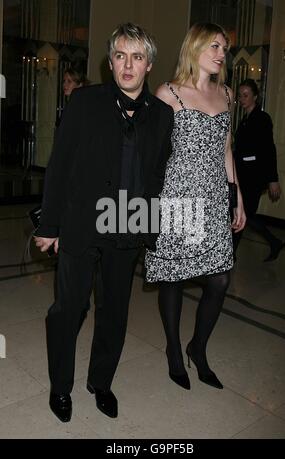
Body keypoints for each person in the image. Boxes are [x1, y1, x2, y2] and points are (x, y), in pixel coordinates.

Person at [34, 23, 173, 423]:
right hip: (81, 222)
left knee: (114, 310)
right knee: (68, 308)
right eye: (120, 56)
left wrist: (152, 228)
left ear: (148, 65)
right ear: (109, 61)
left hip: (127, 226)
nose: (127, 65)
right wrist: (50, 225)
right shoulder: (84, 102)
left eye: (137, 57)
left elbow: (157, 177)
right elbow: (60, 166)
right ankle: (61, 387)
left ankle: (101, 382)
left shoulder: (162, 116)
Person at [145, 23, 246, 391]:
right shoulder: (168, 93)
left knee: (219, 279)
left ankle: (197, 348)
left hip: (215, 198)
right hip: (177, 199)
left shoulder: (227, 94)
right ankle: (174, 350)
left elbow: (226, 149)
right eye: (215, 45)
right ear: (196, 47)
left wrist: (238, 199)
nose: (222, 53)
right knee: (172, 278)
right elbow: (151, 154)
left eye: (225, 47)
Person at [233, 79, 285, 262]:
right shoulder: (245, 119)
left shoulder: (262, 119)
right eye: (240, 95)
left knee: (244, 215)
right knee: (245, 214)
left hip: (253, 177)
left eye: (246, 95)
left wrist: (273, 179)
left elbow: (269, 150)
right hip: (243, 176)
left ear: (255, 96)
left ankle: (231, 254)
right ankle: (274, 242)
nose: (242, 98)